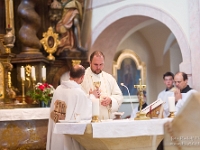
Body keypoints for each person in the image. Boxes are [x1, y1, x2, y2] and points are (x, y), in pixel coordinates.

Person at [46, 65, 93, 150]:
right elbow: (86, 113)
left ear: (69, 74)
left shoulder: (58, 89)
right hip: (68, 135)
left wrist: (87, 96)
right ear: (82, 77)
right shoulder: (78, 93)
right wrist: (92, 97)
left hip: (56, 130)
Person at [81, 51, 123, 120]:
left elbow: (119, 96)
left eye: (101, 64)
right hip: (89, 122)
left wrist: (111, 100)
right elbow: (77, 99)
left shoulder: (109, 78)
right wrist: (90, 96)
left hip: (107, 121)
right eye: (96, 64)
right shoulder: (82, 78)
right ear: (90, 63)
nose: (98, 67)